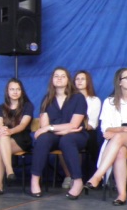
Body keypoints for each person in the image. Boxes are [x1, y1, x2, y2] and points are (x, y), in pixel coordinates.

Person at [85, 68, 127, 205]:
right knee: (120, 150)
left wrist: (120, 132)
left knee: (119, 138)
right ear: (119, 82)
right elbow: (105, 128)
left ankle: (97, 176)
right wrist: (120, 129)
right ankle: (122, 195)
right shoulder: (109, 101)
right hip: (117, 143)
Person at [29, 67, 87, 198]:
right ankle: (34, 180)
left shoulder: (78, 98)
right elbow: (44, 126)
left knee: (67, 140)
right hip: (55, 135)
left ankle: (77, 181)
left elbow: (74, 125)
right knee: (43, 139)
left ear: (68, 80)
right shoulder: (47, 99)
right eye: (56, 76)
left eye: (63, 76)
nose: (59, 78)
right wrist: (62, 129)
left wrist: (51, 128)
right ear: (52, 80)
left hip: (76, 135)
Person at [0, 78, 34, 194]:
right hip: (5, 138)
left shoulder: (27, 106)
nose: (15, 92)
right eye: (12, 89)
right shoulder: (1, 107)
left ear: (21, 91)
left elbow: (23, 125)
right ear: (7, 91)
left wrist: (9, 131)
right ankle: (9, 171)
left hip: (21, 139)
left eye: (18, 89)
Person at [70, 70, 101, 184]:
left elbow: (92, 124)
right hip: (69, 130)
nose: (79, 81)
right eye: (77, 79)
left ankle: (99, 176)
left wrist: (78, 125)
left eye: (83, 79)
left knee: (87, 140)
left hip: (86, 131)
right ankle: (71, 176)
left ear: (88, 82)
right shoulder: (69, 99)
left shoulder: (94, 100)